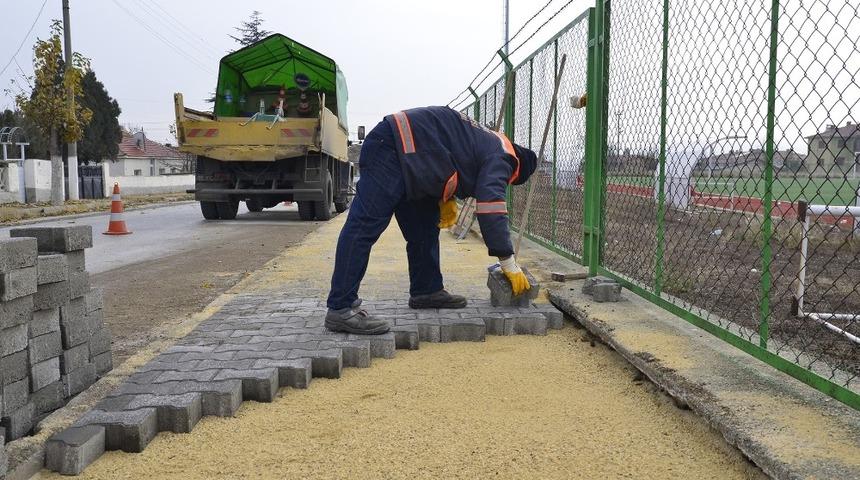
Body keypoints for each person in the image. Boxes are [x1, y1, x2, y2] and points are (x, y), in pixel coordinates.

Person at [325, 106, 538, 335]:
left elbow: (452, 154)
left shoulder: (490, 140)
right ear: (518, 171)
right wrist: (507, 261)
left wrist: (444, 194)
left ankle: (426, 290)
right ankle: (341, 307)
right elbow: (491, 206)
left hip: (410, 155)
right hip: (392, 147)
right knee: (363, 226)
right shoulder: (505, 157)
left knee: (425, 227)